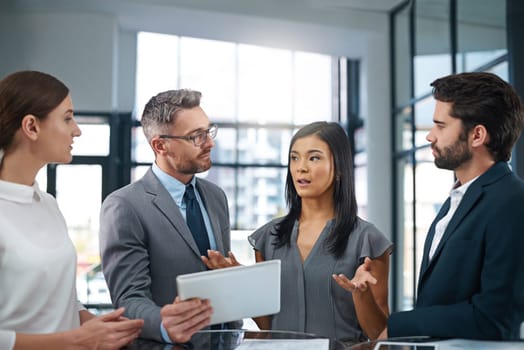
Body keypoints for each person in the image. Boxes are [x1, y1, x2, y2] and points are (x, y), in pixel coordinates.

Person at [204, 121, 393, 342]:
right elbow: (268, 325)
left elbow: (380, 335)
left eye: (314, 157)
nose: (301, 167)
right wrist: (242, 282)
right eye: (294, 158)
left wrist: (362, 296)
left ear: (339, 167)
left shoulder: (368, 241)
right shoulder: (268, 238)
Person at [372, 72, 524, 340]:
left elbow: (495, 317)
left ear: (477, 135)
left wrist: (401, 325)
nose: (430, 136)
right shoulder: (457, 198)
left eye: (441, 126)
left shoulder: (512, 201)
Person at [0, 70, 144, 350]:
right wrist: (70, 341)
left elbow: (64, 304)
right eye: (67, 118)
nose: (76, 129)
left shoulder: (48, 204)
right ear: (31, 127)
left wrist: (114, 328)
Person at [99, 89, 238, 344]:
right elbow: (129, 300)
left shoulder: (216, 197)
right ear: (160, 145)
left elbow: (220, 275)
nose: (210, 143)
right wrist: (166, 322)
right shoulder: (125, 206)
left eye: (208, 131)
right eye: (196, 136)